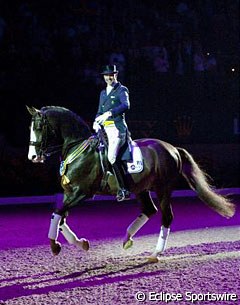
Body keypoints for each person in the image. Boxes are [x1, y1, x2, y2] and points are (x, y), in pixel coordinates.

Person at [93, 64, 131, 201]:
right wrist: (96, 121)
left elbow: (126, 105)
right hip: (104, 130)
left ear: (116, 75)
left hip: (117, 129)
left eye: (111, 75)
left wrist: (110, 113)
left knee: (112, 157)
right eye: (107, 75)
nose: (109, 77)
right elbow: (99, 111)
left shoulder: (122, 90)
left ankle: (123, 189)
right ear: (104, 77)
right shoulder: (103, 93)